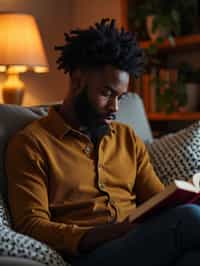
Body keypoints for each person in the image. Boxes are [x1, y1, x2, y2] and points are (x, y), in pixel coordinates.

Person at [5, 18, 200, 266]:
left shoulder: (127, 139)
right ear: (77, 80)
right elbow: (32, 225)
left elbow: (157, 201)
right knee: (189, 219)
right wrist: (100, 234)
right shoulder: (31, 144)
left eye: (120, 97)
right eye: (107, 93)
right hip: (89, 255)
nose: (115, 108)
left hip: (141, 246)